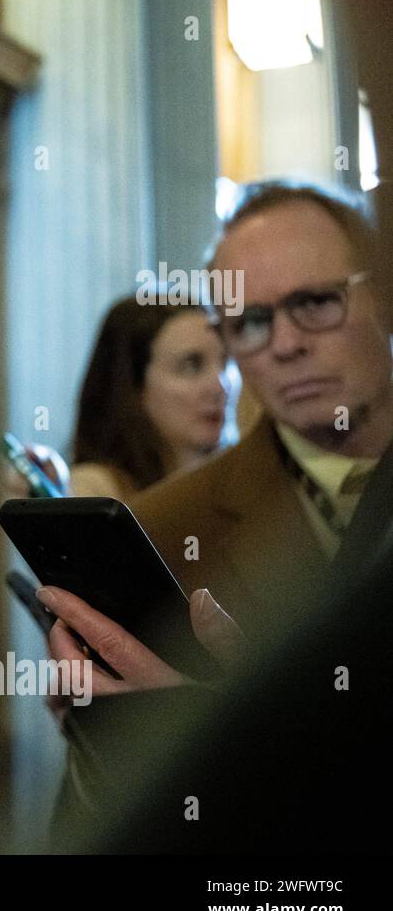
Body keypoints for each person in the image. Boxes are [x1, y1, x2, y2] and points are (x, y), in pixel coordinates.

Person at [132, 179, 393, 630]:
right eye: (251, 323)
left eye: (315, 301)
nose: (287, 344)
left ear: (383, 298)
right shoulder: (161, 534)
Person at [68, 295, 232, 502]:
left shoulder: (244, 482)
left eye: (225, 363)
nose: (220, 386)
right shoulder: (92, 489)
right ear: (132, 387)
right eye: (191, 366)